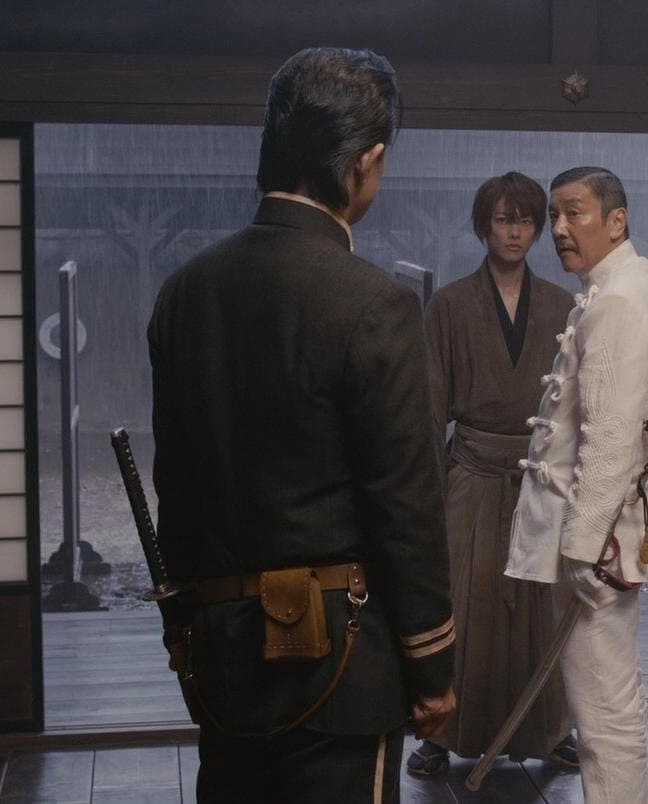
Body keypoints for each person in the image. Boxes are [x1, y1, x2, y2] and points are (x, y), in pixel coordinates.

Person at [146, 47, 456, 803]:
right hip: (342, 662)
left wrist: (184, 634)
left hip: (222, 656)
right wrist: (432, 664)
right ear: (365, 164)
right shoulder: (374, 304)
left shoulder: (185, 293)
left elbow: (176, 491)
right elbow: (406, 508)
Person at [506, 167, 648, 802]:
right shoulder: (623, 289)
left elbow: (610, 440)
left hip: (598, 547)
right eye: (554, 214)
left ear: (617, 221)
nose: (558, 228)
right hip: (606, 537)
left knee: (604, 716)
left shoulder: (619, 303)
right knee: (610, 706)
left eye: (574, 212)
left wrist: (582, 549)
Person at [406, 172, 580, 777]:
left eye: (526, 221)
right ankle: (440, 732)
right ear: (484, 227)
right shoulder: (449, 305)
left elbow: (575, 408)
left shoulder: (561, 306)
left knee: (542, 604)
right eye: (504, 220)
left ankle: (550, 727)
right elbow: (430, 406)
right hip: (473, 475)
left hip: (540, 474)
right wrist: (426, 494)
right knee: (463, 600)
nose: (515, 232)